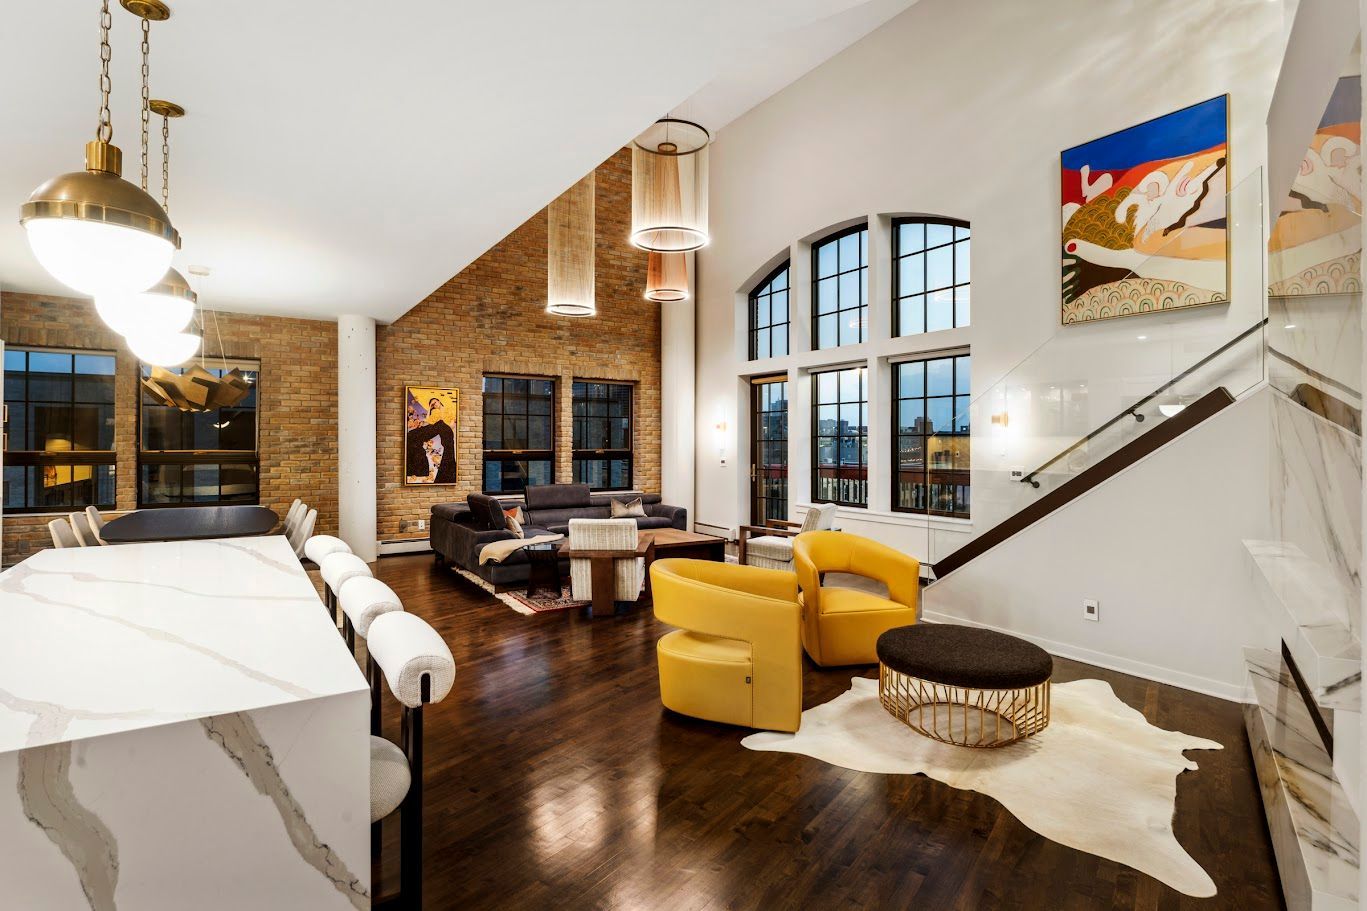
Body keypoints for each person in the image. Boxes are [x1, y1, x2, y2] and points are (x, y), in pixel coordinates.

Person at [405, 395, 457, 483]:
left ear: (439, 401)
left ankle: (446, 476)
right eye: (432, 404)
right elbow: (428, 421)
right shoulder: (435, 412)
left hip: (445, 428)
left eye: (435, 402)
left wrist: (445, 425)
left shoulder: (448, 409)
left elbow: (452, 425)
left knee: (448, 449)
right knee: (412, 436)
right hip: (436, 427)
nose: (434, 404)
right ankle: (418, 469)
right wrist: (430, 408)